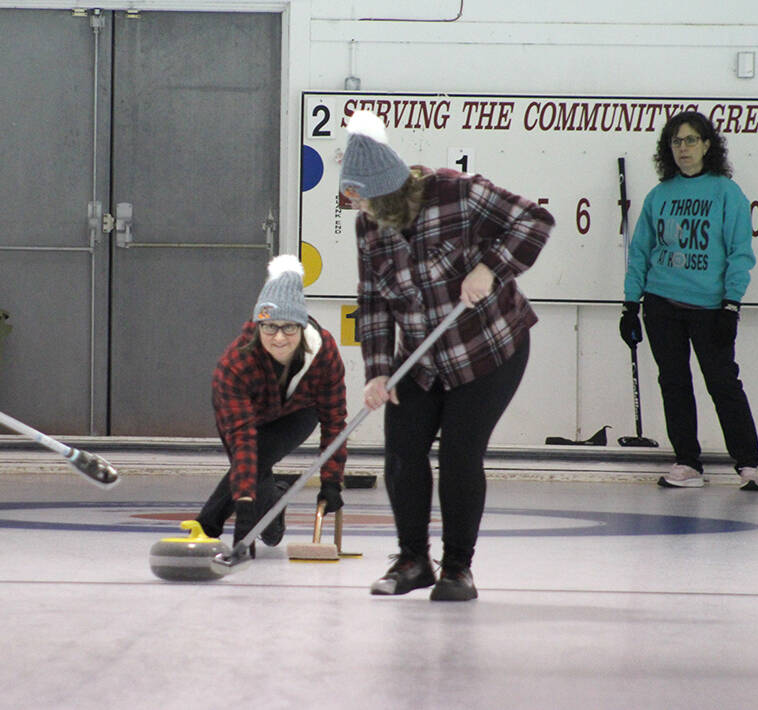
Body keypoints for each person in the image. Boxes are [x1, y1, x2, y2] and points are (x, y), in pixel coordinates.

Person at [340, 110, 553, 601]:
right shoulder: (367, 229)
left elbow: (535, 220)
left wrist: (490, 267)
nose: (363, 210)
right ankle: (413, 560)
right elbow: (372, 300)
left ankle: (458, 567)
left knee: (460, 455)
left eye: (369, 200)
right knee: (401, 453)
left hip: (488, 349)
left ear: (394, 192)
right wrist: (377, 373)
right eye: (356, 200)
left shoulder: (459, 193)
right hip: (421, 357)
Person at [621, 110, 758, 491]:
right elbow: (640, 252)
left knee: (722, 383)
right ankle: (687, 462)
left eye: (691, 140)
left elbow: (740, 252)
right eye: (676, 142)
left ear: (706, 145)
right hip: (661, 304)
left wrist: (731, 305)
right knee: (674, 382)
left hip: (711, 308)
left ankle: (749, 463)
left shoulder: (726, 192)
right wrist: (630, 304)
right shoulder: (660, 195)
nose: (683, 148)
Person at [194, 255, 348, 556]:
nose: (279, 338)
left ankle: (207, 524)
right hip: (247, 417)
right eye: (269, 327)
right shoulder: (235, 365)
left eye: (289, 328)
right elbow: (243, 442)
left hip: (298, 413)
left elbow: (334, 421)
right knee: (251, 460)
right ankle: (265, 509)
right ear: (257, 325)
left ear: (302, 327)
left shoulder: (324, 354)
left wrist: (332, 481)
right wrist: (243, 503)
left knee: (260, 457)